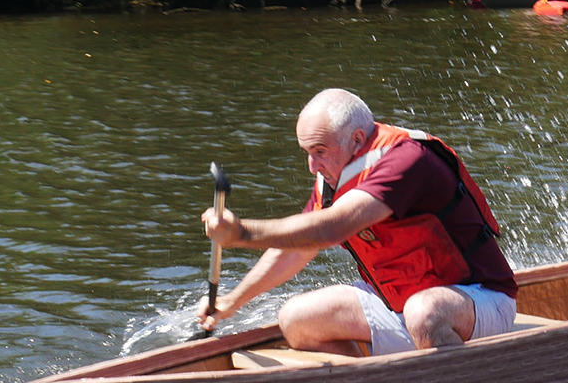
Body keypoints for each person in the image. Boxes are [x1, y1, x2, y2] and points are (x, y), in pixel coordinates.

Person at [195, 89, 517, 356]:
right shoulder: (334, 177)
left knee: (424, 314)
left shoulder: (407, 160)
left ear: (357, 139)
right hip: (397, 302)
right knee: (295, 319)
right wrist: (231, 302)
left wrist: (241, 233)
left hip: (479, 299)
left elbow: (334, 227)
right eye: (306, 152)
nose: (312, 166)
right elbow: (296, 250)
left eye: (319, 151)